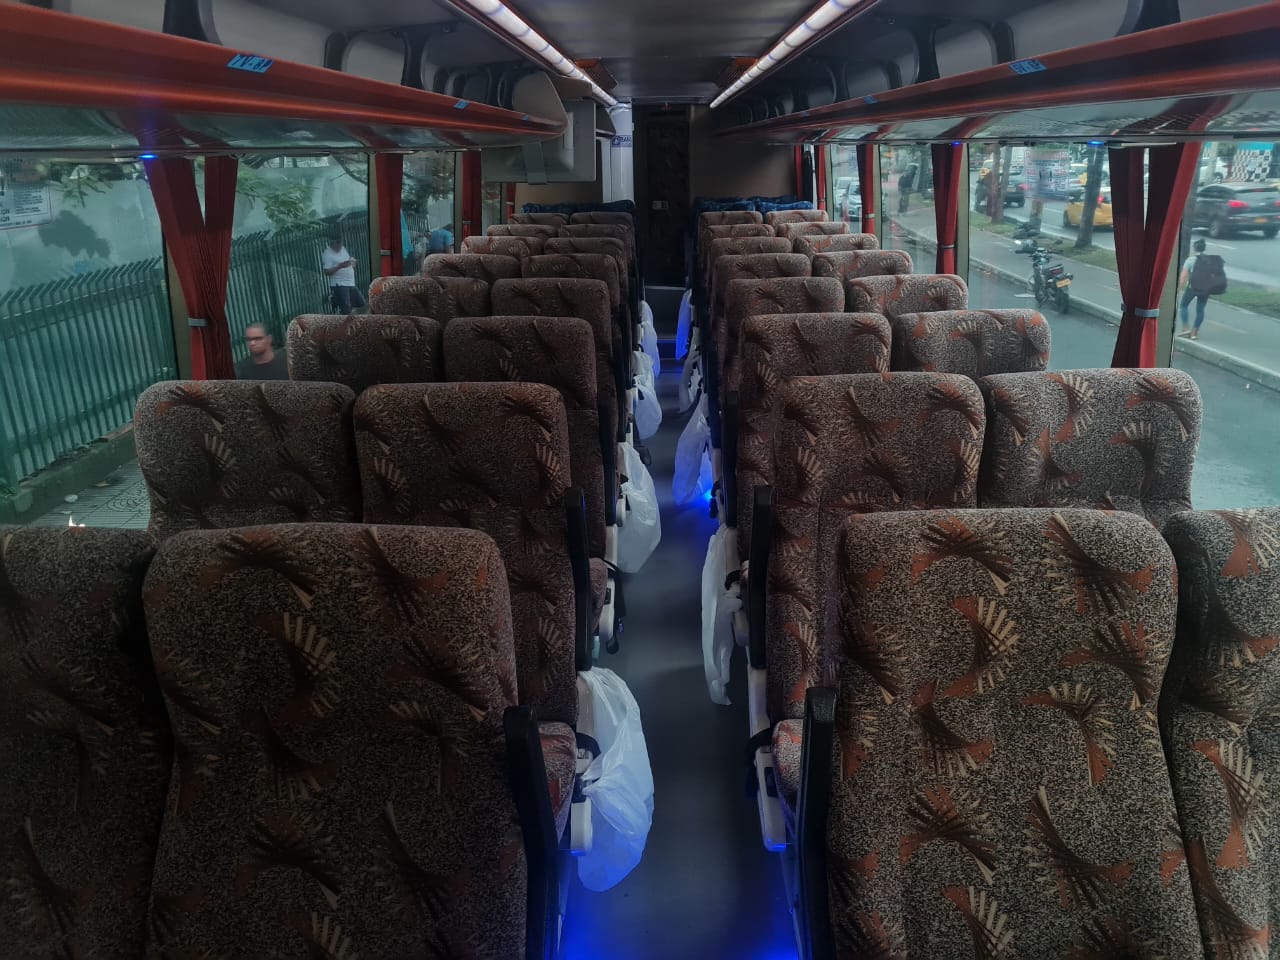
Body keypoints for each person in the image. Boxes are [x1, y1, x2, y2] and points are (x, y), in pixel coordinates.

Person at [1178, 238, 1222, 340]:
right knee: (1200, 310)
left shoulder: (1190, 260)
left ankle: (1185, 328)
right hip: (1205, 289)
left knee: (1183, 306)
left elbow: (1183, 276)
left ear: (1194, 248)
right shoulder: (1210, 260)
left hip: (1192, 288)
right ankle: (1194, 333)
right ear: (1204, 248)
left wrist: (1180, 287)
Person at [322, 234, 366, 313]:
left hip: (350, 283)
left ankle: (334, 299)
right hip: (339, 284)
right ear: (332, 243)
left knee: (361, 303)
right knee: (346, 308)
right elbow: (327, 272)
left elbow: (347, 260)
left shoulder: (342, 248)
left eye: (341, 243)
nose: (340, 246)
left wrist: (352, 262)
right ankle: (334, 300)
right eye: (338, 243)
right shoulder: (327, 254)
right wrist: (340, 266)